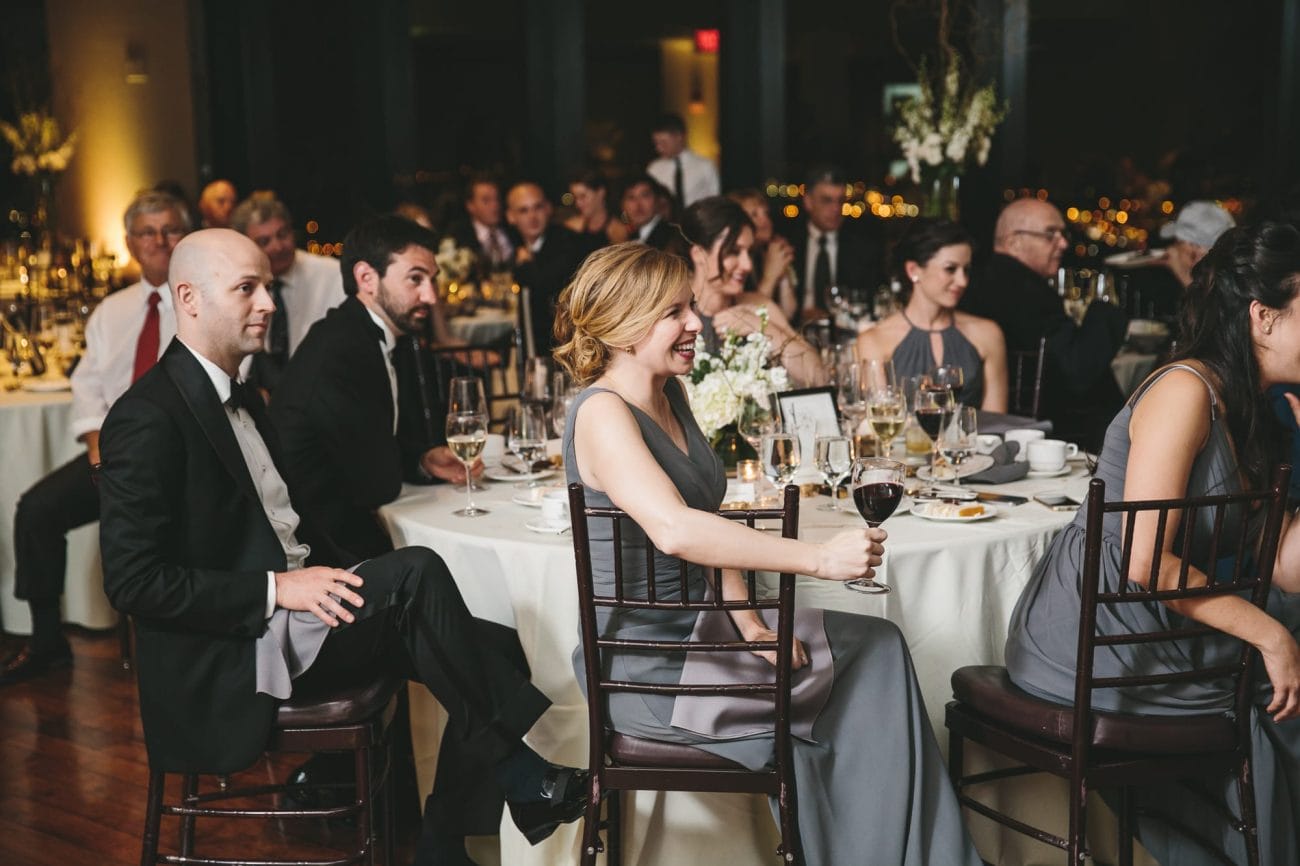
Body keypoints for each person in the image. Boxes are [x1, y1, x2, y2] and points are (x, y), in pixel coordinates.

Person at [97, 228, 588, 866]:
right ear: (188, 299)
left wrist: (329, 571)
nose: (267, 303)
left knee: (493, 644)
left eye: (267, 286)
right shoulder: (147, 416)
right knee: (415, 572)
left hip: (300, 612)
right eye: (246, 289)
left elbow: (287, 520)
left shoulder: (245, 396)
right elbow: (132, 581)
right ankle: (524, 776)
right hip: (236, 647)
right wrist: (279, 588)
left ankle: (445, 843)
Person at [554, 242, 982, 866]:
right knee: (859, 674)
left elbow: (707, 516)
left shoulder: (669, 395)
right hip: (650, 668)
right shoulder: (602, 413)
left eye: (691, 306)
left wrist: (749, 622)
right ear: (623, 324)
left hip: (704, 635)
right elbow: (676, 530)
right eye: (675, 312)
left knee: (880, 645)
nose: (696, 323)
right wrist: (817, 558)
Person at [1006, 221, 1300, 866]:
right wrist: (1271, 637)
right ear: (1263, 318)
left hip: (1155, 625)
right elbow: (1144, 563)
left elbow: (1286, 568)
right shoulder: (1184, 390)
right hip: (1096, 636)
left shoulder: (1258, 407)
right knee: (1281, 664)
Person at [2, 190, 189, 686]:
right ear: (130, 243)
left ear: (185, 235)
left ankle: (172, 646)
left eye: (170, 230)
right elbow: (86, 385)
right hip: (114, 455)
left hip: (180, 455)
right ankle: (46, 641)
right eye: (147, 233)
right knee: (36, 510)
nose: (159, 241)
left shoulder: (200, 300)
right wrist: (96, 450)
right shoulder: (112, 310)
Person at [271, 214, 473, 561]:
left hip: (352, 526)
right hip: (323, 551)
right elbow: (376, 482)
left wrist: (424, 460)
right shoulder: (340, 351)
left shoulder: (367, 335)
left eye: (432, 280)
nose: (430, 296)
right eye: (415, 279)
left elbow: (373, 448)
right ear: (366, 278)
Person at [960, 197, 1127, 449]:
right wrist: (1104, 310)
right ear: (1014, 241)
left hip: (1000, 426)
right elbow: (1078, 369)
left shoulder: (980, 282)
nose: (1063, 243)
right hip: (1057, 436)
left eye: (1063, 234)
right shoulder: (1024, 290)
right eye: (1050, 234)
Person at [856, 218, 1007, 411]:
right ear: (913, 270)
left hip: (975, 432)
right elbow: (879, 420)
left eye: (966, 270)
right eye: (950, 269)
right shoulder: (874, 340)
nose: (962, 281)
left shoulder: (988, 334)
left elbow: (997, 421)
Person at [680, 197, 826, 388]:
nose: (747, 264)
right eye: (734, 252)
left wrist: (761, 327)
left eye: (748, 252)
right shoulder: (673, 311)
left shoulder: (757, 305)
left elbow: (819, 377)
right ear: (699, 254)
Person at [231, 193, 345, 390]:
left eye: (282, 235)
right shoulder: (235, 284)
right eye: (264, 241)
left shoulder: (332, 275)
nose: (277, 247)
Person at [780, 165, 884, 325]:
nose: (836, 209)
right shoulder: (788, 242)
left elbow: (870, 301)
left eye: (840, 201)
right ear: (808, 202)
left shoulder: (862, 247)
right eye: (826, 201)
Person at [505, 181, 595, 356]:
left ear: (548, 209)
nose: (532, 217)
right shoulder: (515, 247)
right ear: (511, 216)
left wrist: (525, 265)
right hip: (535, 345)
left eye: (538, 207)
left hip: (565, 347)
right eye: (523, 210)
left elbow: (544, 284)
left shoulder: (568, 242)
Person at [728, 188, 798, 319]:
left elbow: (788, 313)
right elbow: (747, 319)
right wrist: (770, 277)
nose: (765, 221)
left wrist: (783, 271)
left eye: (766, 213)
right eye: (754, 215)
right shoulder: (732, 260)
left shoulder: (764, 253)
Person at [646, 112, 720, 209]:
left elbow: (715, 202)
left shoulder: (705, 166)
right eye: (656, 143)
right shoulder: (654, 169)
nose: (659, 148)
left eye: (664, 142)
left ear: (679, 137)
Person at [447, 173, 514, 273]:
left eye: (497, 199)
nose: (495, 205)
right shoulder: (457, 236)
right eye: (486, 200)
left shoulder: (512, 230)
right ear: (470, 205)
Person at [563, 169, 629, 246]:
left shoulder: (618, 232)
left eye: (583, 196)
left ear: (601, 192)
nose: (578, 203)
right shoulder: (571, 227)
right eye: (575, 197)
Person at [621, 174, 676, 249]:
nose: (638, 204)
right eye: (631, 197)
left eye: (645, 195)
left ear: (658, 200)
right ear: (622, 205)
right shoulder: (630, 237)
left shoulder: (671, 237)